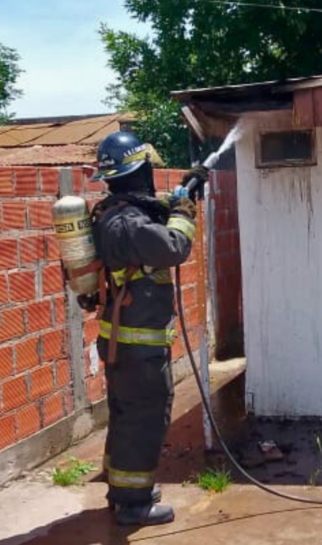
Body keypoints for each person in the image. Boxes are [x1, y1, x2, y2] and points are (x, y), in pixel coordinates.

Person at [86, 132, 206, 526]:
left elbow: (153, 225)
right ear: (139, 170)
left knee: (127, 415)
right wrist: (185, 212)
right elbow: (172, 246)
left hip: (126, 343)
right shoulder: (127, 222)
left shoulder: (116, 213)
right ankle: (133, 505)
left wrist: (182, 193)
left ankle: (125, 489)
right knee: (143, 418)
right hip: (137, 348)